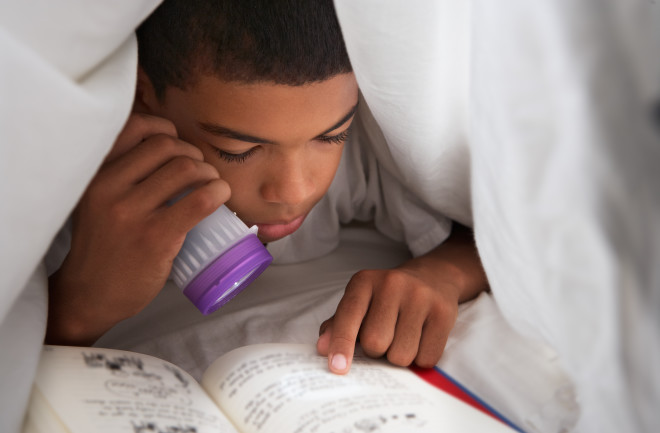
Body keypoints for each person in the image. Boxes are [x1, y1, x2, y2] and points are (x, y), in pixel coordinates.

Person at [46, 0, 489, 375]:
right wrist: (77, 309)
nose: (295, 191)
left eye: (332, 135)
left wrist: (442, 274)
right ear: (143, 93)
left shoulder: (368, 153)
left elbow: (507, 236)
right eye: (238, 149)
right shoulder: (73, 194)